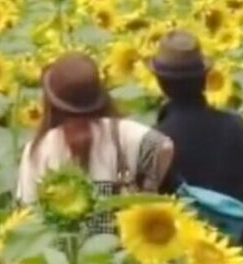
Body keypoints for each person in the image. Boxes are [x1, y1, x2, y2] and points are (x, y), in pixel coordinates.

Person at [148, 30, 243, 249]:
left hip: (180, 258)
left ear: (160, 83)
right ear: (205, 79)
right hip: (236, 249)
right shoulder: (237, 127)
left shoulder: (154, 141)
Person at [15, 52, 175, 209]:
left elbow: (28, 206)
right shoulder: (122, 131)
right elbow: (164, 147)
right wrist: (148, 188)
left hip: (66, 235)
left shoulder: (40, 148)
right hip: (120, 232)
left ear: (52, 103)